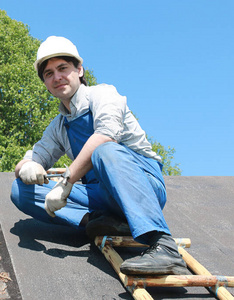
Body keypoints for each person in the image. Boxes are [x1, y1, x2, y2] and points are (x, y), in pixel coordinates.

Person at [10, 36, 187, 275]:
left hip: (143, 186)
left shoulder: (103, 95)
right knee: (19, 190)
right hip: (101, 197)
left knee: (104, 150)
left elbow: (105, 137)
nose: (57, 77)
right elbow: (31, 158)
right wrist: (27, 166)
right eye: (49, 74)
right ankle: (100, 222)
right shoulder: (59, 126)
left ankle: (163, 244)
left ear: (79, 70)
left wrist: (67, 181)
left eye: (63, 68)